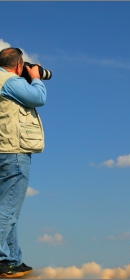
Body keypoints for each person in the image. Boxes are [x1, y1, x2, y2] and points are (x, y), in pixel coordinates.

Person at [0, 47, 47, 278]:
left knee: (8, 208)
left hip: (3, 149)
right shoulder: (9, 81)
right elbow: (39, 98)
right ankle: (1, 261)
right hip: (13, 151)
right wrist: (36, 78)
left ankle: (11, 260)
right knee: (7, 209)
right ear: (19, 65)